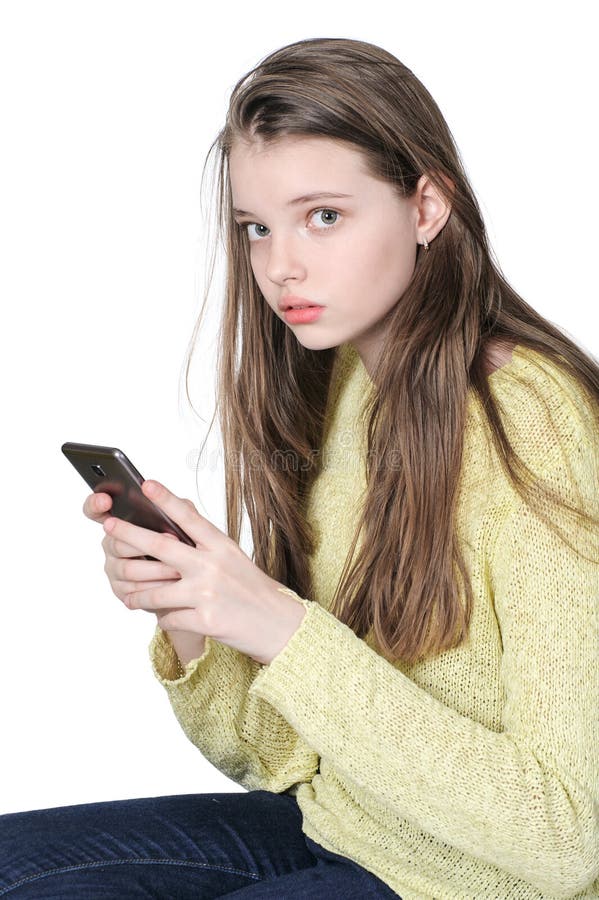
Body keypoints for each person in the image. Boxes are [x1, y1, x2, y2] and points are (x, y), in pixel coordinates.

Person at [1, 36, 597, 900]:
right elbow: (278, 756)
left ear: (426, 206)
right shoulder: (350, 381)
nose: (279, 266)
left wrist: (280, 626)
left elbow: (566, 838)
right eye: (256, 226)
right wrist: (196, 616)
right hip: (336, 831)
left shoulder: (534, 424)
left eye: (323, 216)